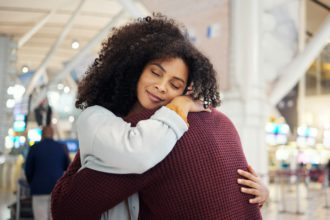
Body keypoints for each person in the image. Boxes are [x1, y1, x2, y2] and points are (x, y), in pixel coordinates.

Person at [51, 15, 268, 219]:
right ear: (136, 68)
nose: (161, 87)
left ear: (186, 90)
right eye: (155, 72)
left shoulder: (154, 135)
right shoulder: (221, 121)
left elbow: (66, 208)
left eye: (175, 85)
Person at [25, 126, 70, 220]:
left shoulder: (34, 148)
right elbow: (68, 168)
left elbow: (28, 169)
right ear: (53, 134)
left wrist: (31, 183)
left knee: (40, 217)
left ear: (42, 134)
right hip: (56, 190)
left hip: (39, 190)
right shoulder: (61, 147)